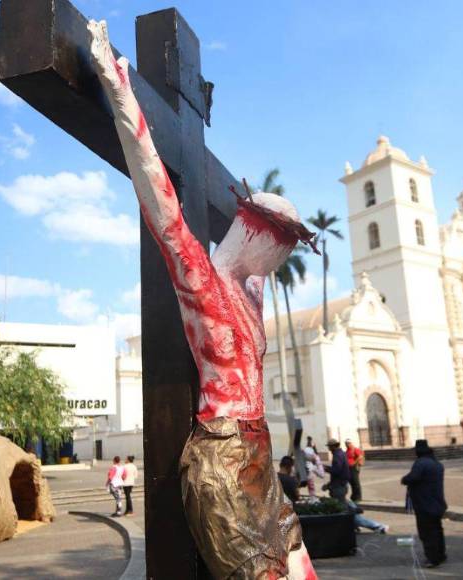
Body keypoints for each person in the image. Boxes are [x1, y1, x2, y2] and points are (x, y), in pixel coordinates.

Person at [88, 21, 319, 579]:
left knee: (303, 567)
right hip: (221, 456)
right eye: (283, 244)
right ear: (258, 235)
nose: (284, 258)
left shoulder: (251, 290)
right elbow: (157, 193)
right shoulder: (204, 281)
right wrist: (120, 91)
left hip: (259, 454)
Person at [401, 440, 448, 568]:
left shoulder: (420, 463)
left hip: (424, 504)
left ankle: (432, 558)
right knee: (437, 530)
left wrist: (404, 479)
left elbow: (412, 478)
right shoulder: (436, 463)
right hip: (437, 502)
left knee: (427, 532)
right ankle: (440, 554)